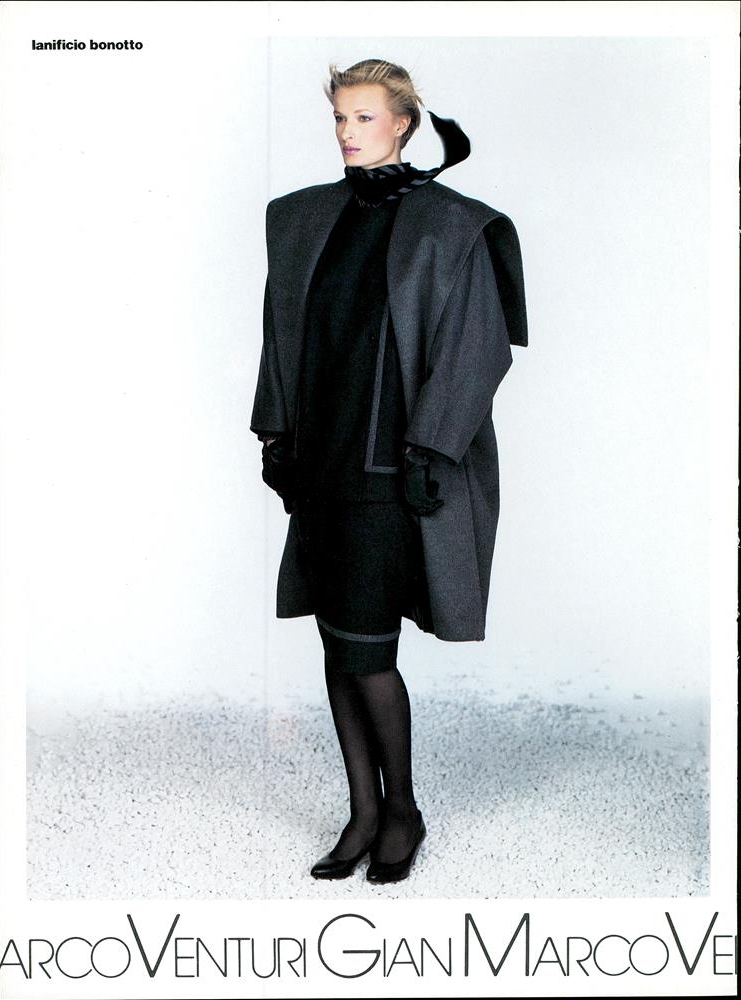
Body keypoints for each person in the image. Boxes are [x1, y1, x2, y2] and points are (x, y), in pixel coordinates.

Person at [250, 59, 528, 884]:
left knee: (368, 648)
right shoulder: (301, 218)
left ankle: (400, 808)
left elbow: (477, 351)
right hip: (322, 463)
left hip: (392, 470)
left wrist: (431, 452)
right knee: (340, 644)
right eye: (339, 117)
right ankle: (362, 812)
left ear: (403, 122)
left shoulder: (452, 226)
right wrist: (275, 433)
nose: (347, 132)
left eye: (364, 117)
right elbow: (278, 334)